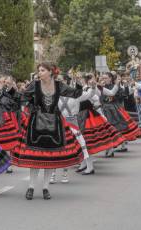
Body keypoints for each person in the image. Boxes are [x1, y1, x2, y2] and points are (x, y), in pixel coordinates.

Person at [11, 62, 84, 200]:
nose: (40, 73)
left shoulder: (59, 85)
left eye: (43, 70)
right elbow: (23, 98)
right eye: (39, 70)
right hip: (36, 123)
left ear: (51, 72)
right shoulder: (35, 84)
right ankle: (31, 187)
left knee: (50, 157)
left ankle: (45, 188)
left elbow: (76, 94)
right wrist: (32, 107)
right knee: (35, 157)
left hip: (54, 123)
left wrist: (79, 82)